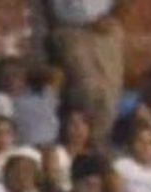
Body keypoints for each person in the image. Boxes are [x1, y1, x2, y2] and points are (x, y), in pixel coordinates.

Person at [48, 0, 125, 146]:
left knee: (109, 94)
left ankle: (98, 142)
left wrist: (113, 16)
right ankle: (81, 142)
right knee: (87, 88)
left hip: (105, 31)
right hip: (69, 29)